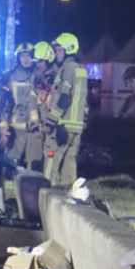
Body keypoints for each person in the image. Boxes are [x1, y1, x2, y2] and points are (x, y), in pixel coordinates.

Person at [43, 32, 88, 186]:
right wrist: (83, 121)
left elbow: (63, 97)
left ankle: (46, 195)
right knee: (70, 163)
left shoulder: (66, 69)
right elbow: (84, 100)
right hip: (77, 126)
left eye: (59, 50)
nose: (56, 54)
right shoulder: (81, 70)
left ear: (69, 50)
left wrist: (51, 121)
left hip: (62, 124)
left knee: (51, 159)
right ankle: (68, 198)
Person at [3, 43, 40, 169]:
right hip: (16, 128)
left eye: (29, 55)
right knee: (11, 163)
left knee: (34, 163)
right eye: (22, 55)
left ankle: (31, 188)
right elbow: (3, 104)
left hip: (35, 129)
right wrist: (5, 128)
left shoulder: (40, 75)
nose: (26, 59)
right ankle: (9, 189)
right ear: (17, 58)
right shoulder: (9, 76)